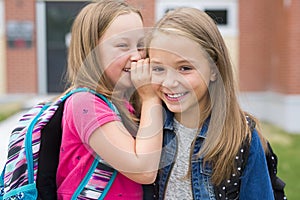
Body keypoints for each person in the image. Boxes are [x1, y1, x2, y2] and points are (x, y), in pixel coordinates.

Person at [145, 7, 274, 199]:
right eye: (158, 68)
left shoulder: (241, 137)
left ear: (213, 69)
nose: (169, 83)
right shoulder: (145, 132)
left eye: (185, 68)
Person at [56, 0, 163, 199]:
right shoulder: (85, 103)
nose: (136, 56)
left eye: (140, 45)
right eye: (123, 45)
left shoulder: (124, 102)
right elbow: (144, 170)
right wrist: (149, 97)